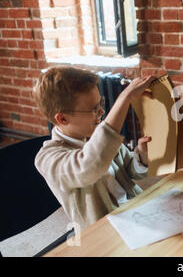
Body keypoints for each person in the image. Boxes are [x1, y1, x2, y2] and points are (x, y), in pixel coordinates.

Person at [33, 66, 155, 230]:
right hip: (103, 232)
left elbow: (132, 172)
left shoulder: (95, 135)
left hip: (137, 212)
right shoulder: (47, 159)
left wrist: (141, 155)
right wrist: (125, 98)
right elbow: (89, 166)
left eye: (101, 103)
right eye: (93, 109)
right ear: (63, 118)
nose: (102, 111)